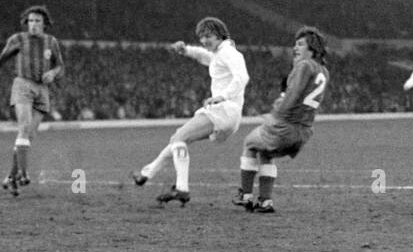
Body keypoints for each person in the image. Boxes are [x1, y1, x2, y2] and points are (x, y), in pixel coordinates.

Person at [133, 17, 248, 207]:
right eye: (201, 36)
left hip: (223, 110)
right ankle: (146, 173)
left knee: (180, 138)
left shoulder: (229, 52)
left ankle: (182, 188)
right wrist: (186, 50)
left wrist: (223, 96)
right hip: (227, 113)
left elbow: (242, 77)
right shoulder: (220, 53)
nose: (204, 40)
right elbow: (205, 57)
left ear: (220, 35)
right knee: (177, 140)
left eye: (208, 36)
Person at [233, 26, 329, 214]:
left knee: (249, 143)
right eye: (295, 44)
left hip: (285, 126)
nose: (295, 48)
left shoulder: (304, 65)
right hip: (304, 131)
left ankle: (245, 195)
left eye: (300, 44)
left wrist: (275, 115)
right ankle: (265, 202)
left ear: (313, 49)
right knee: (265, 153)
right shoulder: (324, 71)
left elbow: (293, 94)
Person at [0, 5, 64, 196]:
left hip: (42, 90)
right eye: (30, 21)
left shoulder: (51, 42)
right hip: (23, 85)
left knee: (28, 136)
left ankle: (11, 177)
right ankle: (24, 174)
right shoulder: (18, 39)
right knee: (24, 129)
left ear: (45, 24)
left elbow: (60, 67)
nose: (33, 25)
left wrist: (53, 72)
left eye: (37, 21)